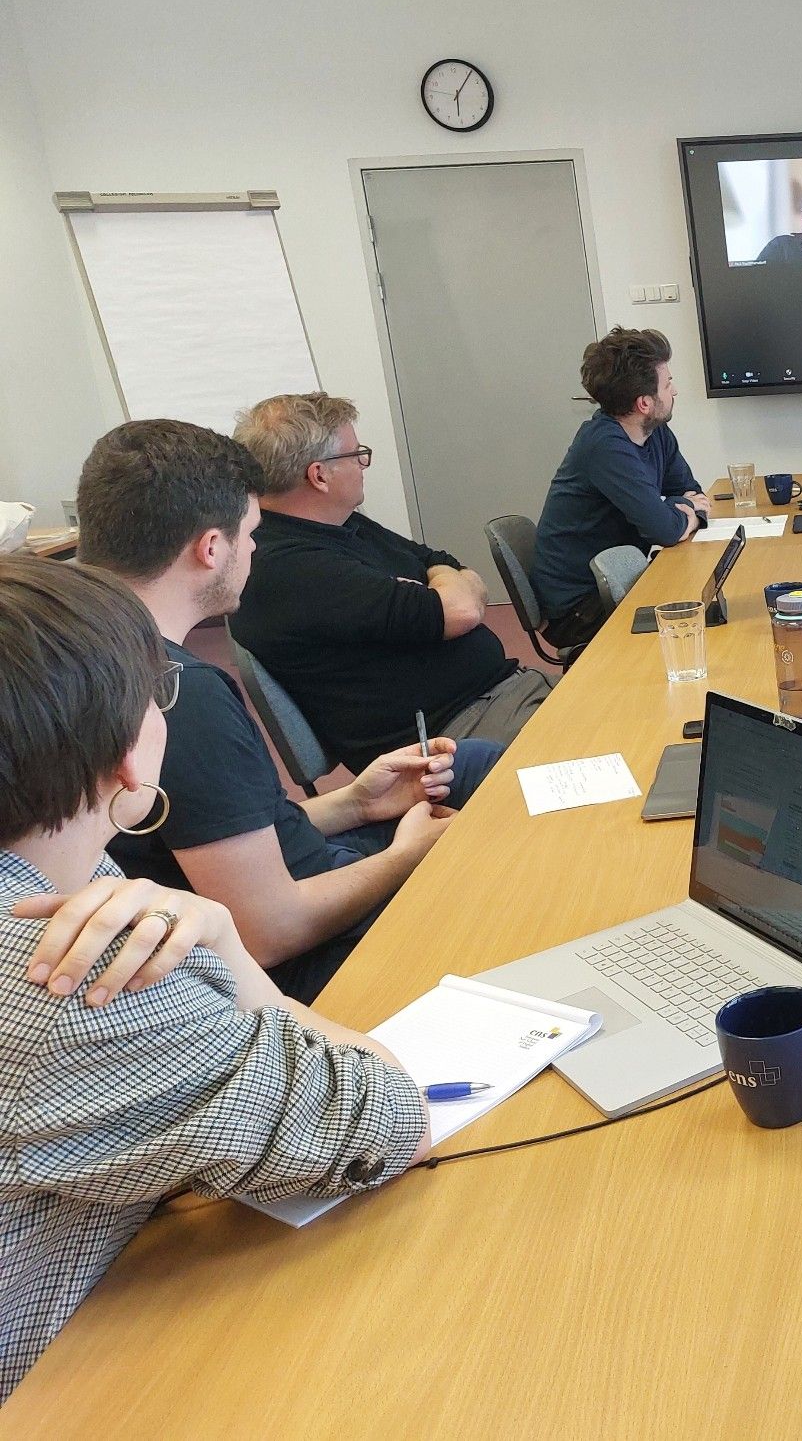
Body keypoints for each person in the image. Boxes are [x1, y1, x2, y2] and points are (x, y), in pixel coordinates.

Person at [0, 553, 430, 1398]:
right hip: (73, 1382)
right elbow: (390, 1121)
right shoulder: (80, 978)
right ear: (130, 758)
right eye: (158, 697)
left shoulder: (80, 882)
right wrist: (228, 946)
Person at [76, 419, 479, 1003]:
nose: (257, 549)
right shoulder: (178, 696)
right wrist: (407, 856)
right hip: (314, 956)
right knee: (516, 872)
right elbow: (269, 932)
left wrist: (356, 800)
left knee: (479, 762)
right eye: (252, 533)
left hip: (289, 881)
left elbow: (216, 837)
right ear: (212, 548)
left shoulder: (80, 649)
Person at [229, 392, 553, 772]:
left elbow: (440, 561)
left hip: (502, 695)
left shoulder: (341, 522)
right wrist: (444, 592)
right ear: (319, 475)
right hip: (453, 741)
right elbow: (463, 609)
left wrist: (437, 587)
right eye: (355, 455)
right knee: (627, 745)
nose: (363, 464)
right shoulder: (285, 567)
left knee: (629, 704)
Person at [532, 328, 713, 648]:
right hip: (580, 607)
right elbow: (665, 529)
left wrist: (673, 509)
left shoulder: (655, 431)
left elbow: (690, 491)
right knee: (703, 622)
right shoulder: (604, 446)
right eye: (668, 384)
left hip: (621, 575)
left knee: (709, 605)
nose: (676, 391)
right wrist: (681, 513)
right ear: (645, 402)